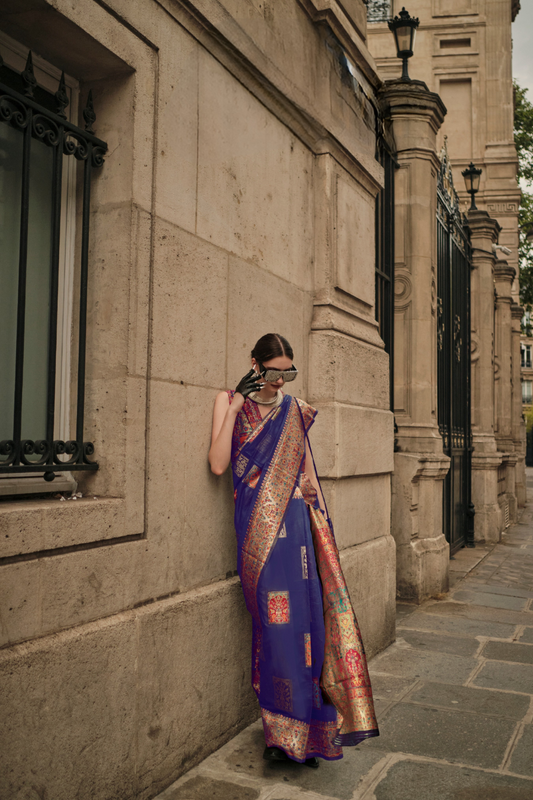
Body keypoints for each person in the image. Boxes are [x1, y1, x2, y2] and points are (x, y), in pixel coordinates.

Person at [209, 333, 378, 767]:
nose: (281, 381)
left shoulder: (295, 410)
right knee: (275, 630)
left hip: (299, 532)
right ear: (254, 364)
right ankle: (280, 734)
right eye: (273, 372)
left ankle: (311, 733)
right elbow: (218, 464)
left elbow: (308, 475)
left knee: (309, 630)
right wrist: (235, 406)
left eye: (289, 372)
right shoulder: (228, 402)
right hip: (259, 535)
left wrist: (324, 531)